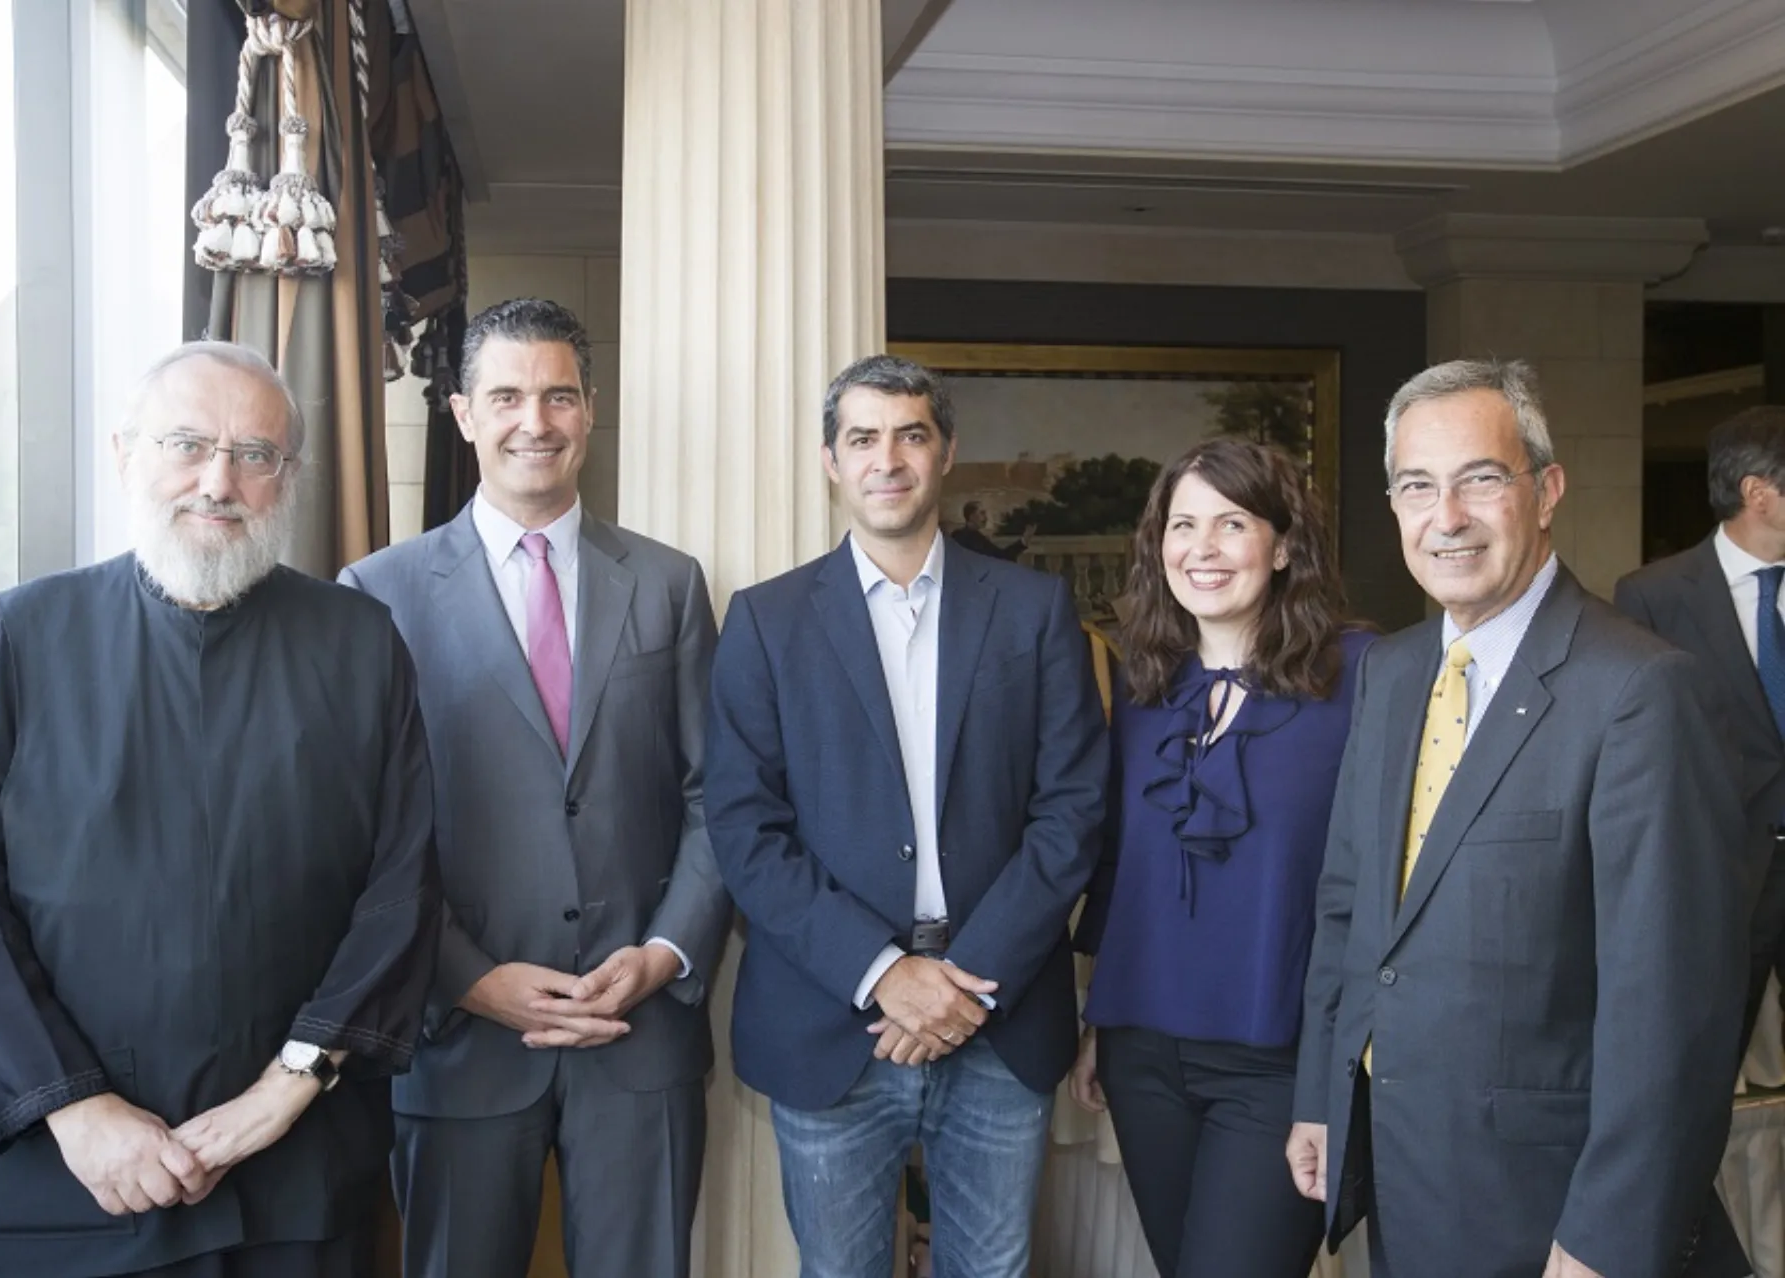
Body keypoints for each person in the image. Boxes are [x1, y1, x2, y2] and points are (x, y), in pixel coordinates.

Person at [0, 341, 441, 1278]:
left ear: (289, 477)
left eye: (255, 455)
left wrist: (283, 1091)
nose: (218, 481)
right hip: (74, 1178)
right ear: (126, 455)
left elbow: (400, 891)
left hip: (295, 1173)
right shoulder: (24, 638)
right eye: (188, 444)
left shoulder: (361, 644)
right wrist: (76, 1108)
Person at [1286, 359, 1749, 1278]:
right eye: (1417, 486)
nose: (1446, 516)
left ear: (1547, 491)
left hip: (1550, 1206)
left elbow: (1673, 1008)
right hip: (1408, 1165)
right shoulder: (1392, 672)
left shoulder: (1640, 690)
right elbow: (1351, 907)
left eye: (1481, 478)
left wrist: (1611, 1235)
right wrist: (1322, 1096)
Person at [341, 298, 729, 1278]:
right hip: (456, 1041)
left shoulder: (670, 584)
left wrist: (664, 954)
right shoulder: (377, 595)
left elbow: (716, 797)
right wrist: (466, 979)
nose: (535, 421)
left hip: (638, 1033)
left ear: (589, 409)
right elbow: (361, 835)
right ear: (464, 414)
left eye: (558, 396)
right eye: (507, 396)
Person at [704, 353, 1108, 1278]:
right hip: (832, 1021)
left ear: (946, 451)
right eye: (862, 439)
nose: (887, 459)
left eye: (910, 435)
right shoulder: (765, 621)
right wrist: (884, 973)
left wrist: (963, 987)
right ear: (831, 461)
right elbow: (745, 830)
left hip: (999, 1018)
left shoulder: (1034, 611)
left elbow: (1073, 810)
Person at [1069, 438, 1360, 1278]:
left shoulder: (1363, 678)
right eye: (1182, 525)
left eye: (1232, 523)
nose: (1203, 548)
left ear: (1283, 544)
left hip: (1281, 1058)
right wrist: (1098, 1022)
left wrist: (1335, 1083)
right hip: (1142, 1050)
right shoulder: (1142, 689)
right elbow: (1123, 873)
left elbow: (1375, 890)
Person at [1615, 406, 1785, 1051]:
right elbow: (1643, 749)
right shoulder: (1653, 596)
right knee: (1706, 1058)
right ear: (1758, 493)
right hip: (1723, 872)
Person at [950, 500, 1033, 561]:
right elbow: (1000, 557)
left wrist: (1023, 541)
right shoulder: (973, 539)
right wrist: (1023, 541)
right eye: (982, 513)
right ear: (972, 517)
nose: (986, 518)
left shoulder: (961, 536)